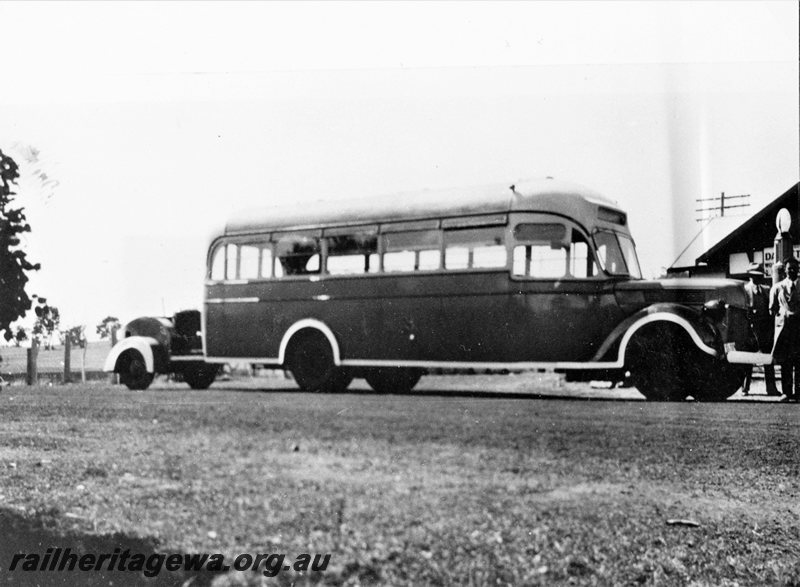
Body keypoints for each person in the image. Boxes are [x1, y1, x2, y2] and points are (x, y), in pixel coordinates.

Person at [742, 262, 780, 395]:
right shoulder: (744, 290)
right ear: (750, 276)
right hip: (750, 331)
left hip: (764, 330)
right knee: (747, 361)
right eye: (754, 276)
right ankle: (745, 388)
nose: (756, 278)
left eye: (759, 276)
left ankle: (771, 388)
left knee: (767, 360)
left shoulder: (766, 289)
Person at [770, 257, 800, 400]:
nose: (792, 271)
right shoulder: (777, 288)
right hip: (784, 331)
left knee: (799, 361)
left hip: (799, 330)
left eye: (795, 268)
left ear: (798, 270)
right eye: (789, 268)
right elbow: (772, 309)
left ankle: (799, 393)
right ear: (785, 271)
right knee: (786, 362)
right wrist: (782, 315)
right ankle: (786, 392)